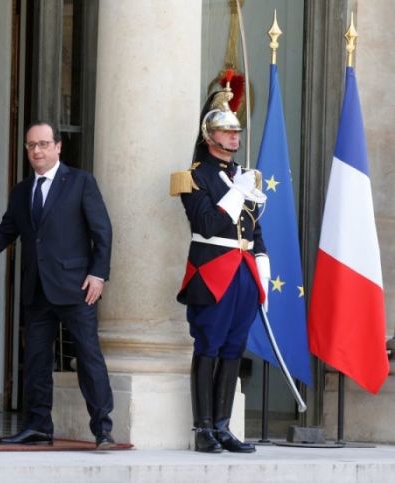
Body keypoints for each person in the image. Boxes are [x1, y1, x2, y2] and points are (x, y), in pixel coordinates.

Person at [0, 121, 116, 450]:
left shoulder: (81, 182)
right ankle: (39, 427)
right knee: (37, 361)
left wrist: (98, 274)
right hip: (37, 288)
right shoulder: (22, 191)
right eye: (31, 146)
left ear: (58, 147)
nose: (37, 151)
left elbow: (103, 231)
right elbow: (5, 232)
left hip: (77, 286)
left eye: (43, 144)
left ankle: (103, 428)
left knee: (88, 356)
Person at [173, 74, 270, 453]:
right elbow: (206, 224)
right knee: (208, 345)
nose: (234, 137)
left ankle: (225, 426)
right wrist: (236, 195)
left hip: (243, 271)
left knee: (234, 348)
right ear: (209, 136)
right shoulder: (195, 177)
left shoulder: (243, 176)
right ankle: (203, 428)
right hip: (212, 270)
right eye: (226, 132)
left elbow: (254, 229)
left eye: (236, 131)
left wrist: (262, 262)